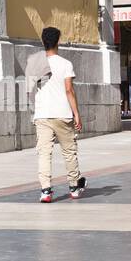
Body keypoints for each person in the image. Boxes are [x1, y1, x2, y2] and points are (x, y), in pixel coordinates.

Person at [32, 26, 86, 203]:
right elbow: (69, 90)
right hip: (62, 113)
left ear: (43, 41)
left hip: (43, 115)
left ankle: (46, 191)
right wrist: (76, 113)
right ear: (58, 41)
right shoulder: (65, 64)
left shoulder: (36, 64)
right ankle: (74, 187)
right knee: (69, 151)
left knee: (44, 153)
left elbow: (31, 88)